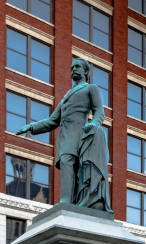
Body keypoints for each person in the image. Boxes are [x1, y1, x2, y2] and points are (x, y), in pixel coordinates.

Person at [16, 58, 112, 212]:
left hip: (81, 135)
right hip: (66, 138)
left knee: (76, 168)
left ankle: (68, 201)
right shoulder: (66, 96)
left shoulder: (90, 88)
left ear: (86, 71)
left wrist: (94, 124)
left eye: (78, 67)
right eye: (72, 67)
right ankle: (67, 201)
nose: (74, 69)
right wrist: (31, 127)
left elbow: (99, 111)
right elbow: (52, 121)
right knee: (67, 164)